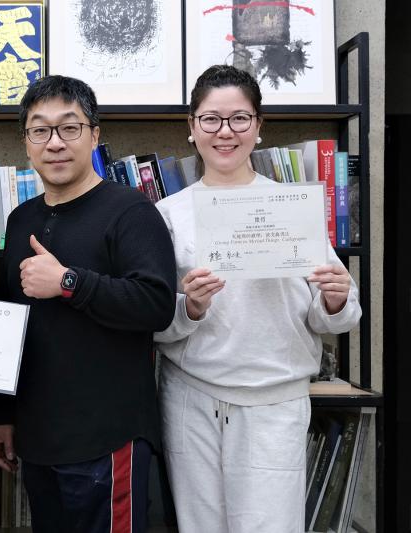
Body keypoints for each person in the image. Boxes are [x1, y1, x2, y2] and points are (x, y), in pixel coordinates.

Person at [154, 65, 362, 533]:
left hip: (275, 399)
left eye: (239, 118)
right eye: (211, 119)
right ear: (192, 127)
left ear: (258, 125)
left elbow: (335, 316)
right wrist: (189, 307)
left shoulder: (292, 207)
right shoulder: (168, 215)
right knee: (199, 525)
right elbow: (152, 318)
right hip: (191, 396)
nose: (225, 132)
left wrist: (335, 299)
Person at [0, 75, 177, 533]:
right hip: (38, 436)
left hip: (107, 438)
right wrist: (3, 416)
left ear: (94, 135)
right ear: (26, 142)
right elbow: (10, 325)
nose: (54, 142)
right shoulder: (20, 219)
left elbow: (156, 304)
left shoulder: (131, 210)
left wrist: (68, 281)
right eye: (40, 130)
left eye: (69, 128)